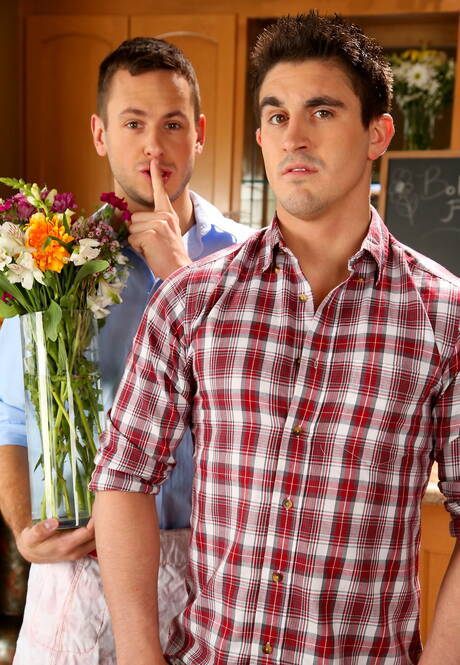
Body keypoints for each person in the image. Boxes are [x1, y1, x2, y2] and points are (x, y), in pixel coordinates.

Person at [91, 12, 460, 665]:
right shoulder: (191, 299)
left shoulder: (444, 316)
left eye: (322, 112)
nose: (294, 136)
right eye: (277, 115)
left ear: (377, 134)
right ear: (260, 137)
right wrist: (140, 657)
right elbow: (123, 477)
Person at [0, 37, 254, 665]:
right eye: (133, 123)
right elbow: (11, 420)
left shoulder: (253, 260)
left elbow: (261, 408)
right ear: (100, 134)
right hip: (82, 570)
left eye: (172, 125)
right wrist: (24, 529)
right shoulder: (49, 265)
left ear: (198, 134)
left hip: (220, 571)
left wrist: (178, 278)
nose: (153, 147)